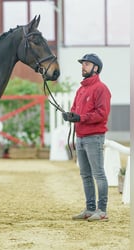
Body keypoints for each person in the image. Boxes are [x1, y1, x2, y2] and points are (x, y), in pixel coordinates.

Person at [62, 53, 111, 222]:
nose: (83, 67)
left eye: (87, 64)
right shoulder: (81, 89)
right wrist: (70, 115)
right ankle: (90, 209)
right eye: (83, 64)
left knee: (98, 174)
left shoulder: (101, 89)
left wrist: (80, 118)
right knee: (85, 175)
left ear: (95, 68)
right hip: (81, 137)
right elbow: (76, 109)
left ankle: (102, 210)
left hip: (94, 137)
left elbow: (102, 114)